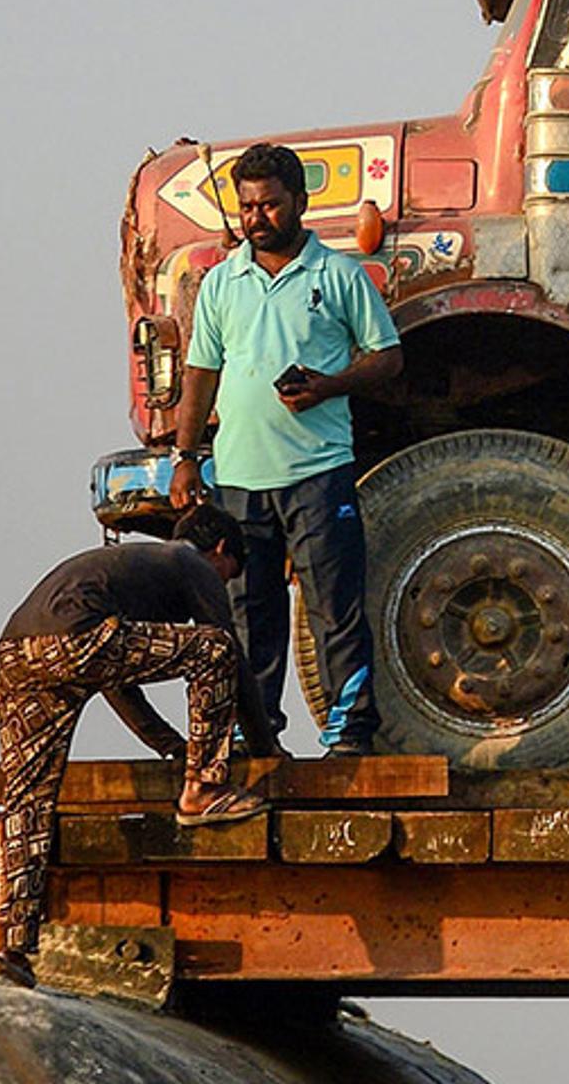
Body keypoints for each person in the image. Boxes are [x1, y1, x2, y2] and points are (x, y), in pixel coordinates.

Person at [166, 142, 402, 756]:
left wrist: (328, 386)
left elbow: (387, 357)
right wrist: (186, 457)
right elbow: (200, 373)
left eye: (270, 205)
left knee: (334, 607)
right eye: (248, 207)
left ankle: (350, 734)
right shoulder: (221, 282)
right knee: (247, 612)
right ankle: (254, 733)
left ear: (300, 203)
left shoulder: (339, 275)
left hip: (318, 471)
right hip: (239, 477)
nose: (257, 218)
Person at [0, 509, 267, 982]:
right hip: (75, 638)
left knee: (27, 802)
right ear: (220, 549)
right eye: (230, 574)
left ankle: (10, 944)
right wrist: (267, 745)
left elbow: (115, 677)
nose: (224, 584)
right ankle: (203, 789)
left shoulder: (131, 569)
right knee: (215, 649)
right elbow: (230, 656)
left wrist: (171, 746)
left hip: (18, 652)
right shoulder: (190, 562)